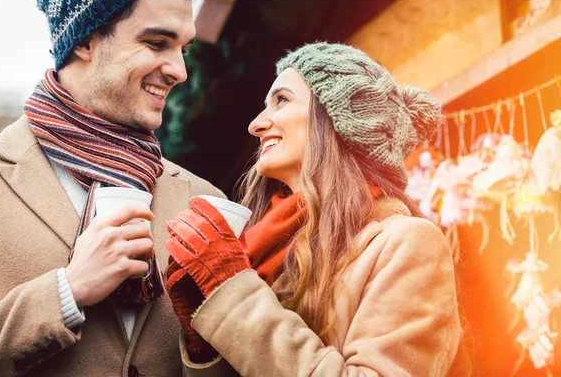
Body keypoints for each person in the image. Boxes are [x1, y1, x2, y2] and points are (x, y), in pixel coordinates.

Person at [0, 0, 233, 375]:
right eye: (157, 43)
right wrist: (66, 292)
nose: (180, 71)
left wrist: (206, 341)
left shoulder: (206, 200)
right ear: (85, 40)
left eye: (183, 49)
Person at [165, 42, 462, 376]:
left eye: (281, 100)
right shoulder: (264, 246)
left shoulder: (406, 243)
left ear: (337, 121)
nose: (257, 124)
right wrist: (202, 337)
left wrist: (232, 295)